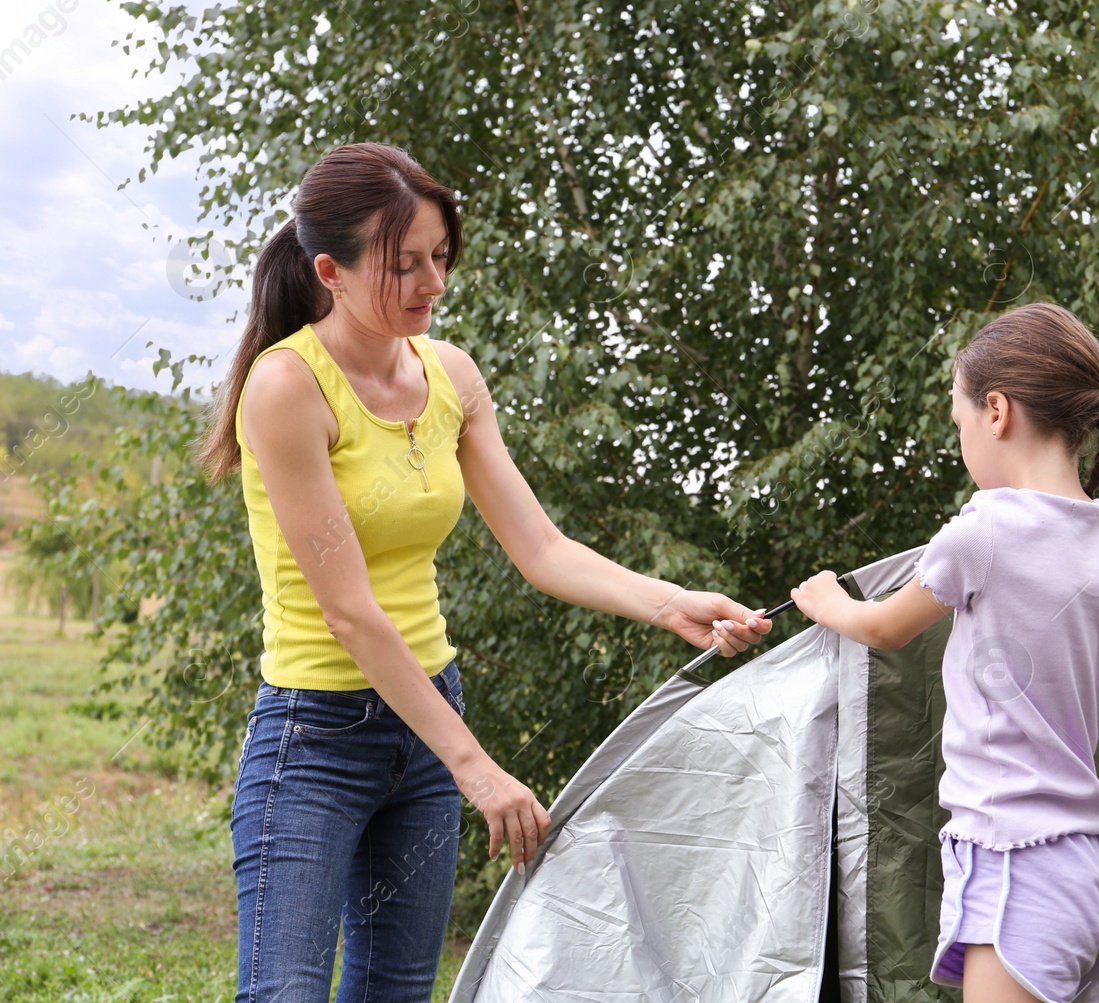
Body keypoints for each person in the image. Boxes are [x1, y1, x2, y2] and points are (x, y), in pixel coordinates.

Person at [198, 142, 772, 1003]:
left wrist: (672, 605)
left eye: (440, 257)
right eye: (406, 264)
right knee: (284, 992)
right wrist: (475, 766)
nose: (434, 281)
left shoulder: (450, 374)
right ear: (333, 272)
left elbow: (541, 548)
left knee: (396, 989)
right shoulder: (287, 389)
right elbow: (350, 613)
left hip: (426, 720)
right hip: (312, 740)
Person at [789, 302, 1099, 1003]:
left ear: (996, 410)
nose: (962, 442)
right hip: (1091, 879)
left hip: (1016, 868)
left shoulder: (984, 529)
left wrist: (824, 600)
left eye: (959, 423)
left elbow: (882, 628)